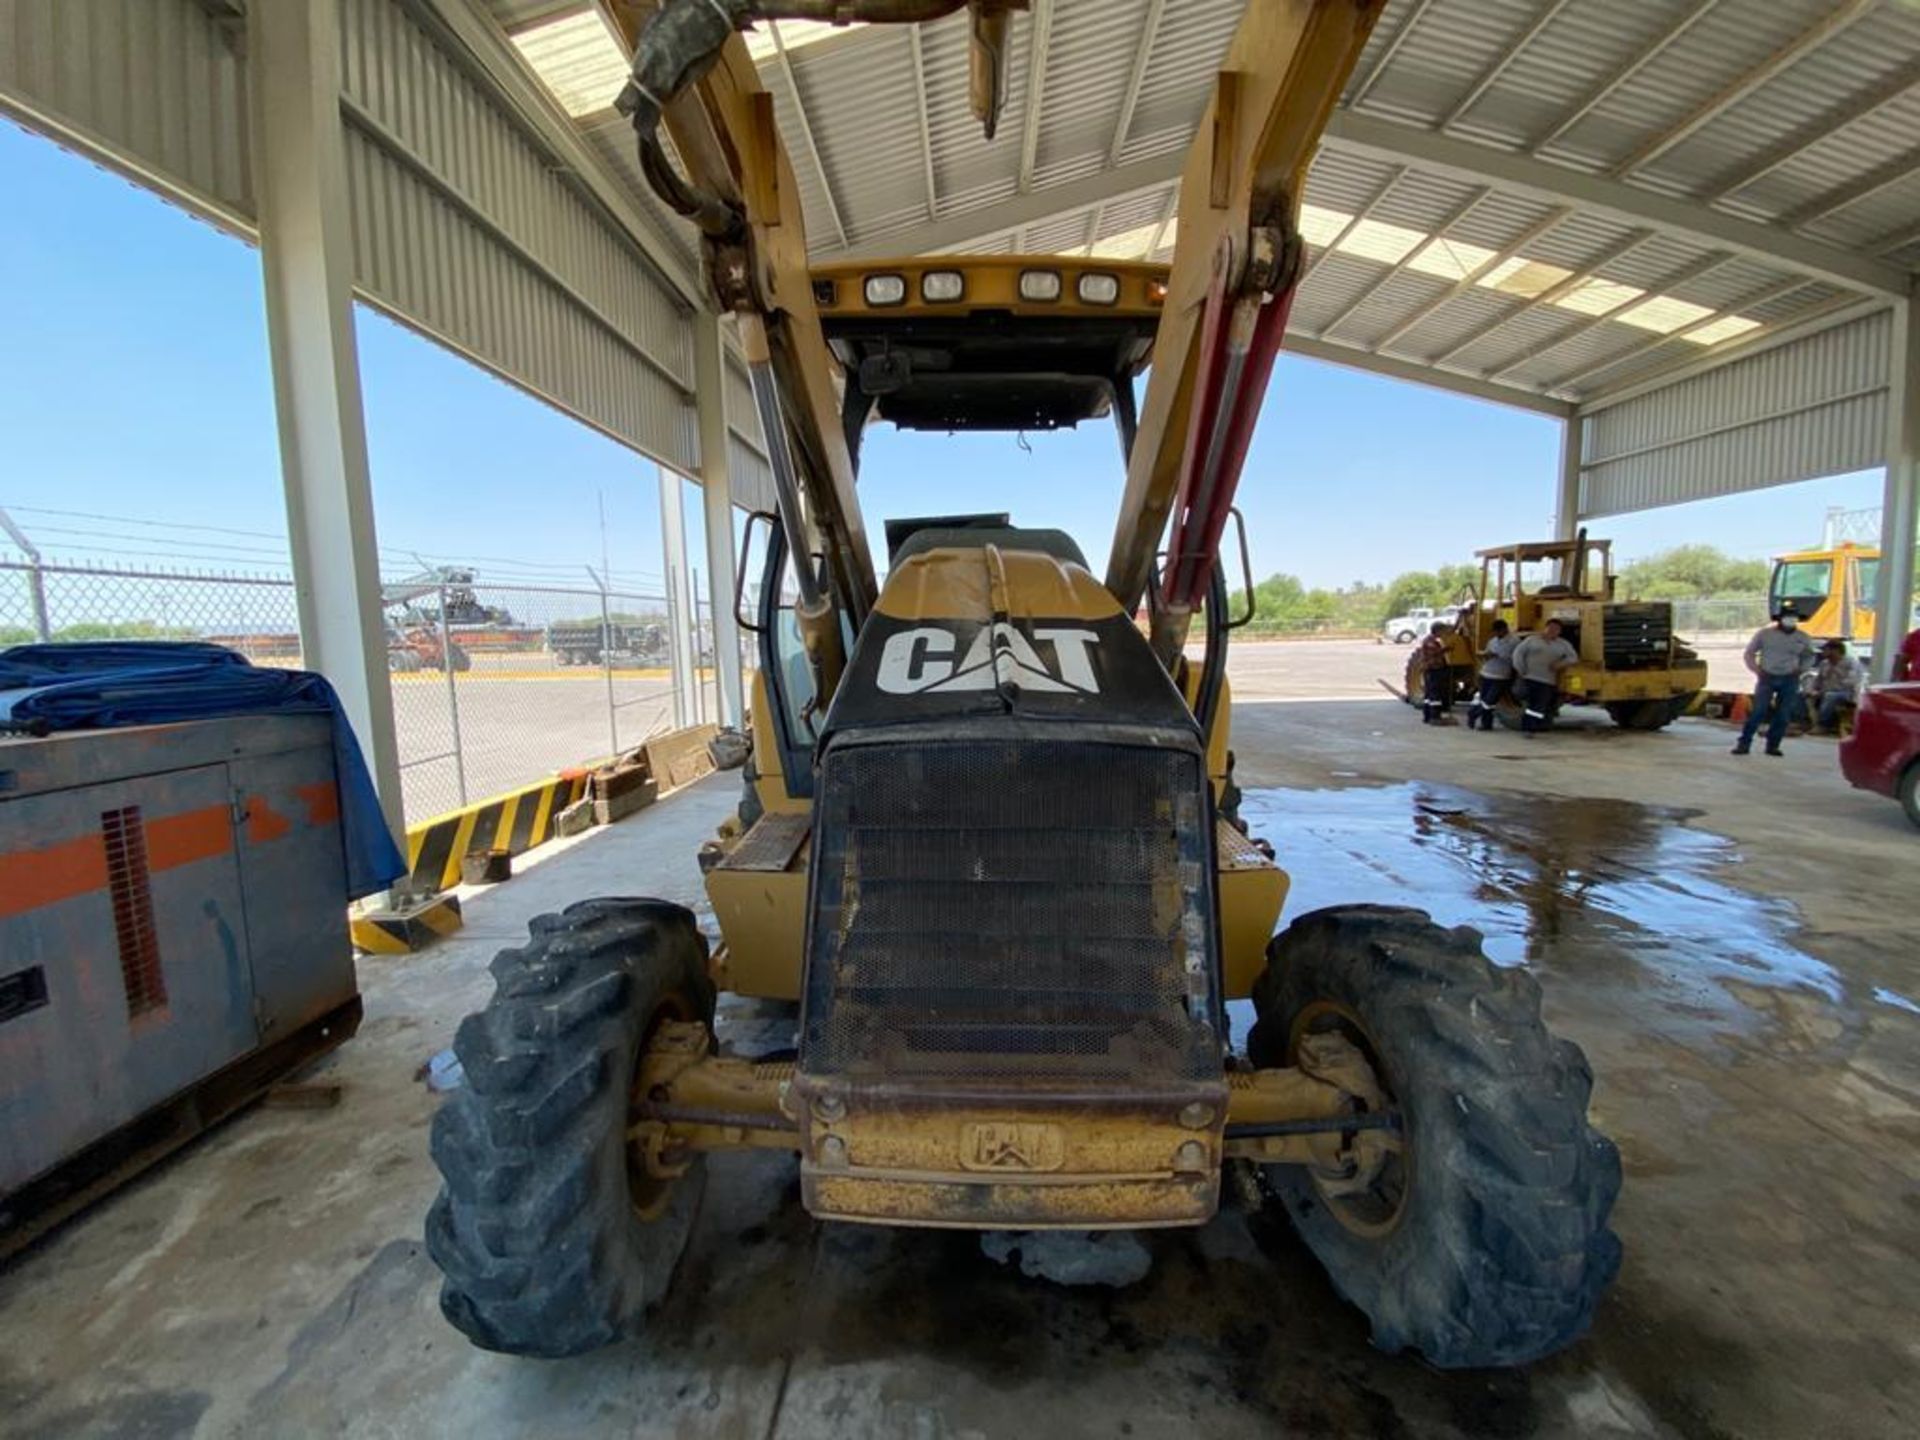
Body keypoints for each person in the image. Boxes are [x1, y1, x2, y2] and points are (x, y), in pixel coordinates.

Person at [1734, 605, 1817, 756]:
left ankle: (1773, 746)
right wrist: (1756, 669)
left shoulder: (1803, 637)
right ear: (1779, 619)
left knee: (1784, 714)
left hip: (1790, 678)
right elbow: (1750, 653)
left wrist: (1801, 669)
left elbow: (1810, 656)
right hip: (1767, 676)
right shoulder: (1765, 634)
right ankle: (1744, 744)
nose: (1791, 620)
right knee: (1758, 712)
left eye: (1794, 617)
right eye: (1788, 616)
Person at [1509, 619, 1578, 736]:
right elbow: (1518, 654)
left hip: (1547, 680)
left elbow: (1573, 658)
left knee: (1540, 705)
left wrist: (1560, 664)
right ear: (1545, 628)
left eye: (1556, 629)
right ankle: (1529, 728)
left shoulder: (1563, 644)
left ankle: (1534, 726)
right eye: (1550, 628)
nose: (1553, 631)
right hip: (1530, 677)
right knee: (1532, 704)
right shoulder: (1532, 640)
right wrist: (1521, 669)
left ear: (1560, 631)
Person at [1803, 639, 1863, 733]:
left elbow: (1851, 682)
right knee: (1801, 695)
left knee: (1830, 696)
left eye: (1826, 650)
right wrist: (1811, 690)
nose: (1823, 652)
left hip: (1846, 693)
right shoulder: (1824, 664)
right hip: (1825, 691)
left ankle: (1823, 725)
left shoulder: (1851, 663)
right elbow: (1818, 680)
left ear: (1835, 650)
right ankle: (1802, 721)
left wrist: (1824, 691)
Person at [1469, 618, 1516, 732]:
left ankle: (1473, 714)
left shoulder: (1513, 641)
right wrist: (1484, 655)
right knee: (1485, 699)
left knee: (1489, 701)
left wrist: (1495, 655)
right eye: (1495, 632)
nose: (1497, 634)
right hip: (1487, 673)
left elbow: (1510, 656)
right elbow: (1487, 652)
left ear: (1505, 629)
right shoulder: (1493, 640)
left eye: (1499, 631)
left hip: (1501, 675)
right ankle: (1486, 724)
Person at [1415, 621, 1453, 725]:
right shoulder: (1430, 641)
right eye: (1443, 631)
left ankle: (1427, 716)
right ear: (1437, 631)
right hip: (1433, 669)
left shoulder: (1433, 640)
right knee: (1435, 694)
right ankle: (1435, 717)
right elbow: (1434, 653)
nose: (1444, 633)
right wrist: (1446, 649)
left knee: (1429, 695)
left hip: (1432, 669)